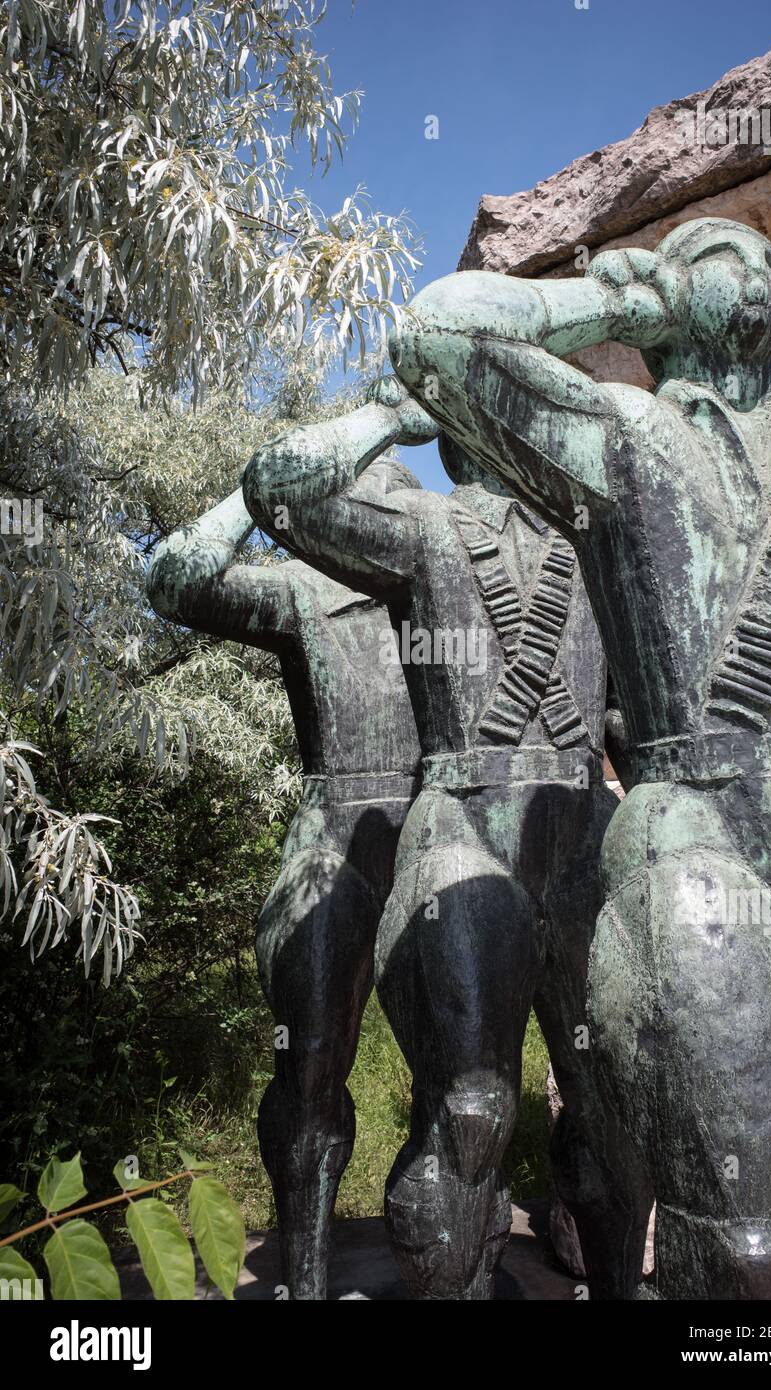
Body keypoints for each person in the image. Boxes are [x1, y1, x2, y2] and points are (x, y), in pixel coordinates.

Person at [380, 215, 771, 1300]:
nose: (745, 273)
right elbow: (436, 337)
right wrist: (608, 307)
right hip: (697, 826)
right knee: (747, 1250)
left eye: (761, 262)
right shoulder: (626, 434)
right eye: (711, 259)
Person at [242, 380, 651, 1300]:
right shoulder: (428, 532)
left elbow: (632, 714)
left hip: (581, 836)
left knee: (611, 1094)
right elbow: (278, 490)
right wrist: (390, 414)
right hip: (465, 831)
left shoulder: (599, 548)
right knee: (469, 1108)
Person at [147, 461, 421, 1300]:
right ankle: (304, 1277)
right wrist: (256, 486)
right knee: (308, 1066)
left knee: (464, 1079)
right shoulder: (306, 590)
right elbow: (176, 581)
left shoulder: (451, 578)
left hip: (436, 834)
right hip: (334, 835)